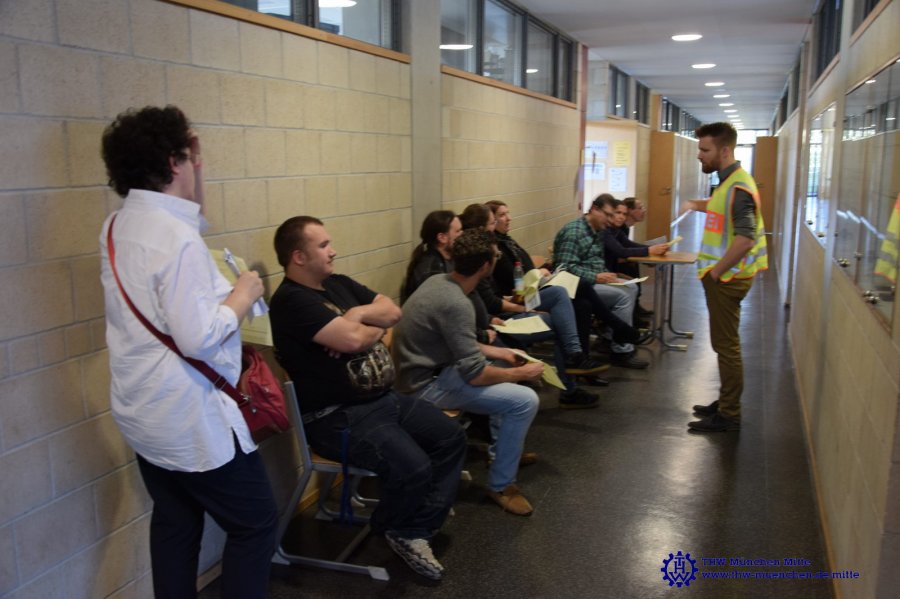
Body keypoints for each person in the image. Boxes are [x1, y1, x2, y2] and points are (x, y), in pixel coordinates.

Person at [98, 105, 278, 599]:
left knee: (176, 522)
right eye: (191, 154)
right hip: (189, 417)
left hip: (143, 412)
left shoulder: (116, 225)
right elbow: (198, 338)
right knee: (256, 524)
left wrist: (193, 171)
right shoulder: (176, 237)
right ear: (174, 160)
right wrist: (242, 293)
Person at [269, 216, 466, 580]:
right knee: (414, 467)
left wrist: (357, 315)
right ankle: (402, 529)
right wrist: (366, 330)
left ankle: (417, 521)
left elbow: (393, 312)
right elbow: (352, 340)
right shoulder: (290, 301)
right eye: (323, 245)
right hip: (337, 418)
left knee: (450, 437)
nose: (333, 251)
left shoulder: (338, 285)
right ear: (298, 256)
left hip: (382, 400)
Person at [392, 229, 545, 517]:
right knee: (524, 401)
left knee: (504, 367)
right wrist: (524, 374)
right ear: (485, 266)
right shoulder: (456, 303)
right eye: (495, 257)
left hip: (430, 371)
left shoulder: (440, 282)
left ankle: (503, 453)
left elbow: (458, 343)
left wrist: (502, 354)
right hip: (424, 386)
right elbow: (475, 375)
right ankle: (501, 485)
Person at [458, 203, 605, 409]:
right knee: (567, 314)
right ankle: (572, 377)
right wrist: (521, 308)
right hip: (498, 321)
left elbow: (493, 294)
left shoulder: (504, 243)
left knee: (564, 295)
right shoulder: (479, 258)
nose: (507, 219)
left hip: (508, 304)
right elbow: (488, 302)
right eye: (496, 219)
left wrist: (522, 291)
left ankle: (576, 356)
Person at [487, 200, 651, 368]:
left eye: (508, 213)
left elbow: (525, 269)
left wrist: (540, 272)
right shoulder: (494, 250)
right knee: (582, 288)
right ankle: (617, 334)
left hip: (535, 288)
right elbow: (512, 282)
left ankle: (581, 365)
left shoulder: (508, 241)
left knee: (584, 304)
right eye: (501, 215)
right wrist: (534, 280)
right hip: (523, 296)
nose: (509, 218)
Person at [682, 122, 768, 433]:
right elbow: (723, 211)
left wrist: (717, 272)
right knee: (724, 344)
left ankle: (730, 414)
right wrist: (696, 205)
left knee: (726, 346)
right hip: (727, 277)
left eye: (705, 150)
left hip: (728, 278)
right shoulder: (730, 182)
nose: (699, 155)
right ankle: (726, 401)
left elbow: (745, 238)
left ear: (725, 150)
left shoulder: (738, 186)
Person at [553, 195, 649, 369]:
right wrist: (596, 277)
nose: (611, 220)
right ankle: (621, 349)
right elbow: (563, 269)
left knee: (631, 287)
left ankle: (610, 337)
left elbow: (596, 261)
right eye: (608, 215)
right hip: (577, 285)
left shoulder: (597, 230)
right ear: (594, 209)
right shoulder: (574, 232)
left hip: (594, 280)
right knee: (623, 296)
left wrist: (609, 275)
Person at [605, 197, 669, 317]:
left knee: (633, 277)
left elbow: (628, 244)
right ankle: (630, 317)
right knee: (630, 271)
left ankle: (634, 314)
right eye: (618, 213)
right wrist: (649, 250)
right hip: (605, 271)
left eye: (624, 214)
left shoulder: (616, 230)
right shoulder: (606, 230)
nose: (621, 217)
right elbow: (621, 251)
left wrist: (652, 250)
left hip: (610, 269)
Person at [400, 210, 462, 303]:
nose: (462, 234)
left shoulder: (453, 257)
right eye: (457, 231)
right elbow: (441, 304)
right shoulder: (431, 270)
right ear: (442, 238)